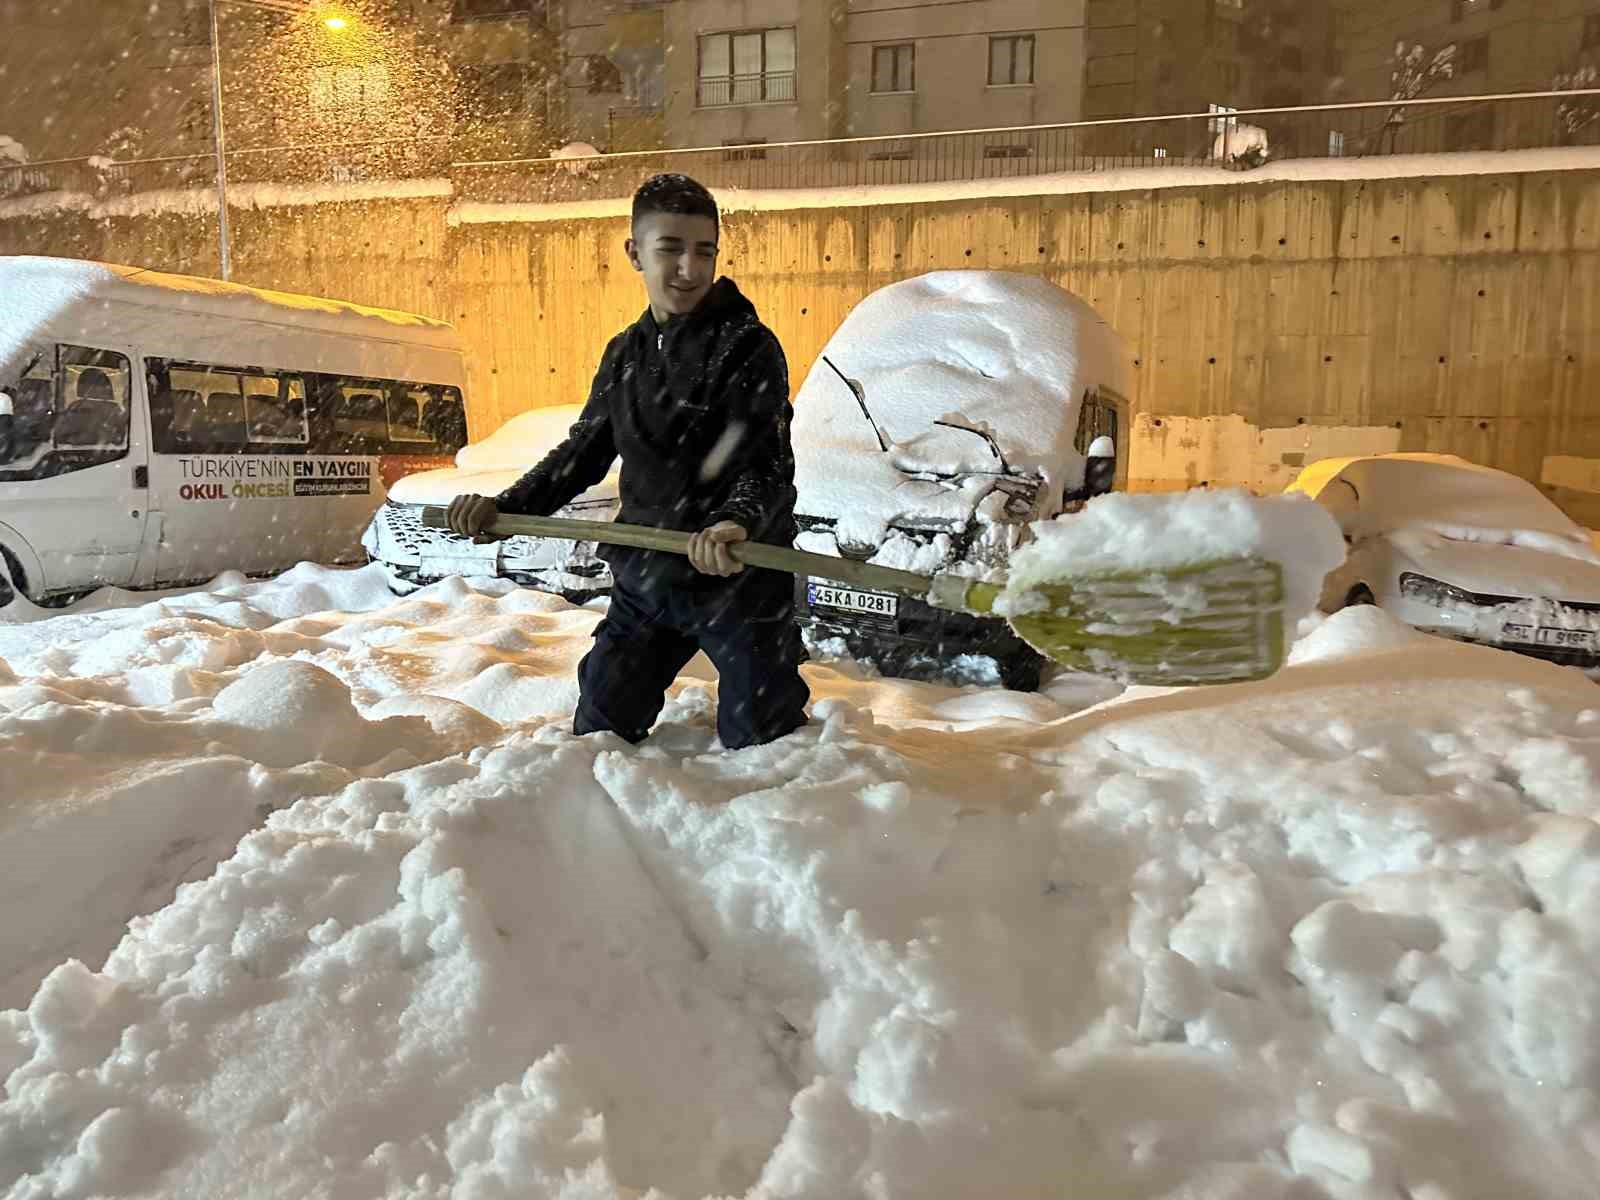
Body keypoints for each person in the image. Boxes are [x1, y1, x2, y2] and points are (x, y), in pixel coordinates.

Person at [447, 173, 810, 750]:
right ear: (634, 251)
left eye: (704, 251)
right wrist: (506, 507)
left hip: (737, 578)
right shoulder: (625, 354)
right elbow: (584, 451)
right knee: (602, 724)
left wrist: (733, 523)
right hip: (649, 572)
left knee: (761, 743)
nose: (689, 268)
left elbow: (766, 462)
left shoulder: (747, 345)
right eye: (670, 249)